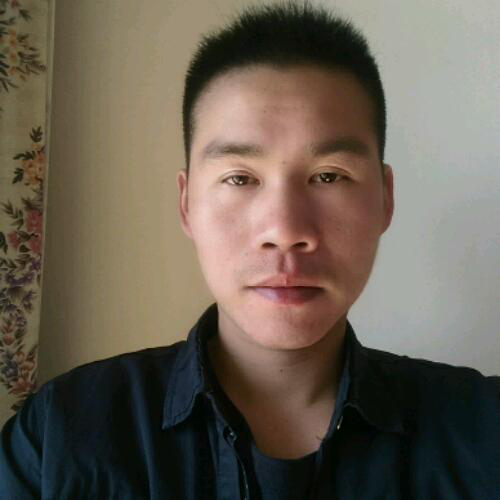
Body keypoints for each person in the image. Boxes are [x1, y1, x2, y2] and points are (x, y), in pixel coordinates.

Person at [1, 1, 499, 498]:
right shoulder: (58, 438)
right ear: (187, 204)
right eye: (239, 178)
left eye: (329, 176)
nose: (284, 229)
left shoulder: (484, 431)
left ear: (385, 198)